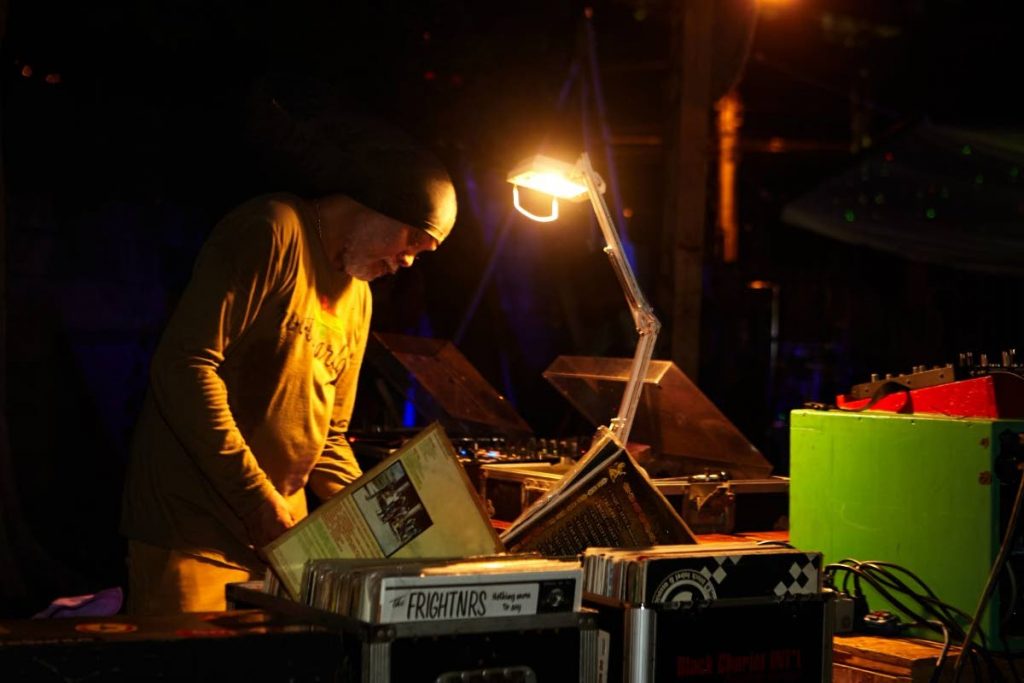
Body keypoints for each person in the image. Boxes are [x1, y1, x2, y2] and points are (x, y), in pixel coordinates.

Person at [119, 100, 457, 615]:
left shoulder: (359, 296)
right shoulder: (274, 230)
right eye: (413, 239)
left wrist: (397, 534)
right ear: (379, 201)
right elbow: (184, 366)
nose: (407, 260)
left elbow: (329, 441)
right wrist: (258, 502)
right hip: (191, 535)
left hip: (276, 550)